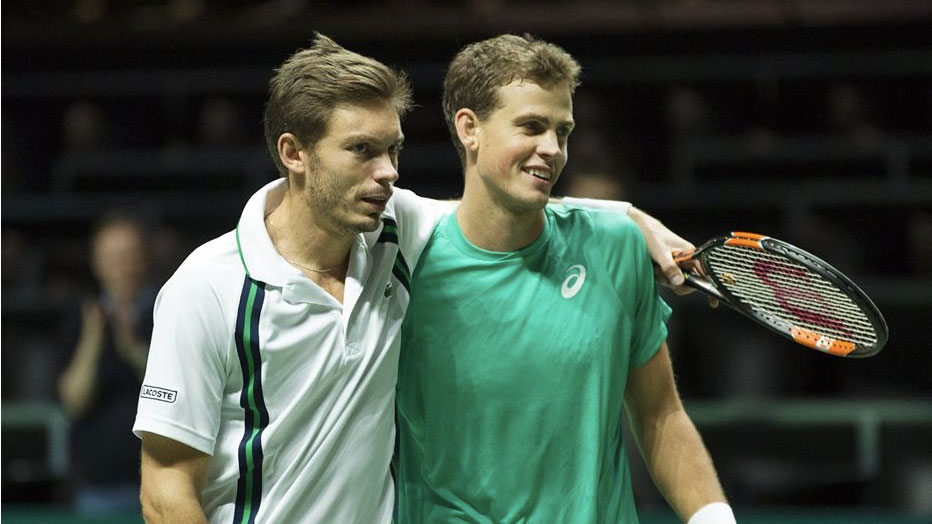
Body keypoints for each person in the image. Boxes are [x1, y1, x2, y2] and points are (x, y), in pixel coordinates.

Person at [134, 34, 696, 524]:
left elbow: (503, 205)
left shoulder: (394, 229)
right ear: (294, 152)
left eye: (392, 149)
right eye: (361, 150)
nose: (388, 172)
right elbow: (165, 490)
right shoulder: (207, 289)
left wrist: (629, 217)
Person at [394, 34, 734, 524]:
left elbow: (660, 415)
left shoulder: (615, 245)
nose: (552, 149)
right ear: (469, 128)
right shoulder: (404, 259)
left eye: (563, 131)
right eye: (531, 127)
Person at [58, 211, 155, 514]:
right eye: (113, 258)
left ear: (145, 258)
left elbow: (181, 391)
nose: (124, 268)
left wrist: (132, 349)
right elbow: (74, 400)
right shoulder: (78, 320)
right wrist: (94, 337)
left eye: (131, 257)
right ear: (96, 263)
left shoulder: (169, 310)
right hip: (98, 488)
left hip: (162, 479)